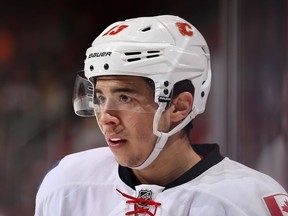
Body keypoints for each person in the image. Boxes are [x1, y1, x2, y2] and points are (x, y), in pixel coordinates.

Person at [35, 15, 287, 216]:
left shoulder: (247, 201)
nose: (105, 117)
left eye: (125, 98)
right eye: (101, 98)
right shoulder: (67, 183)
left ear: (179, 107)